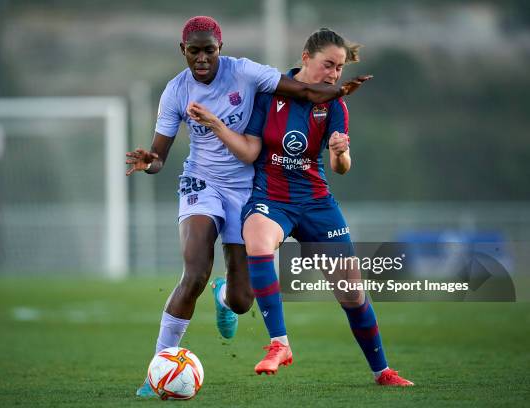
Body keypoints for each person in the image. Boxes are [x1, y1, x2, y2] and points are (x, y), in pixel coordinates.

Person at [126, 17, 371, 397]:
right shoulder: (175, 92)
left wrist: (338, 91)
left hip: (247, 187)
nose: (203, 57)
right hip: (201, 183)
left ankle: (223, 295)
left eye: (210, 49)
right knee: (195, 272)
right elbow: (160, 155)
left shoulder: (245, 73)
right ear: (183, 51)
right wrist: (149, 161)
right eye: (195, 51)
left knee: (242, 301)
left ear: (220, 49)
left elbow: (304, 92)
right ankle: (156, 369)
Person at [187, 28, 413, 386]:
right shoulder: (268, 94)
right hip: (270, 197)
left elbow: (341, 168)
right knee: (258, 242)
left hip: (316, 202)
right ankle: (279, 344)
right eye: (329, 65)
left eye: (339, 68)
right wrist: (215, 124)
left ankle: (382, 371)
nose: (335, 75)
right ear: (305, 58)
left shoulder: (335, 105)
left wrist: (341, 153)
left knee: (353, 294)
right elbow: (250, 151)